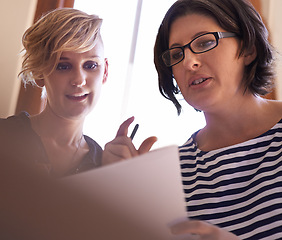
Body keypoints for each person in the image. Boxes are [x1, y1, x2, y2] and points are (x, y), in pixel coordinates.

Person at [104, 0, 282, 239]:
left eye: (206, 42)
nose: (189, 63)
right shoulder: (174, 174)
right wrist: (117, 194)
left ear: (249, 48)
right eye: (177, 54)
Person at [1, 8, 107, 177]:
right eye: (63, 66)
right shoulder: (4, 136)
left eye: (91, 65)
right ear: (39, 74)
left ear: (105, 71)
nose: (79, 80)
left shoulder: (104, 166)